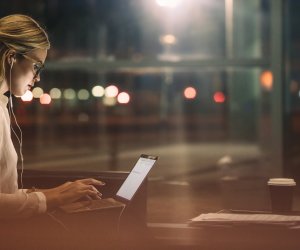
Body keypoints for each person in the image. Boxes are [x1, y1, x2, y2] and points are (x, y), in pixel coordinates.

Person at [0, 14, 105, 219]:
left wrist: (57, 193)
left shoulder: (2, 106)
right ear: (12, 57)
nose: (38, 77)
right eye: (37, 66)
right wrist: (51, 199)